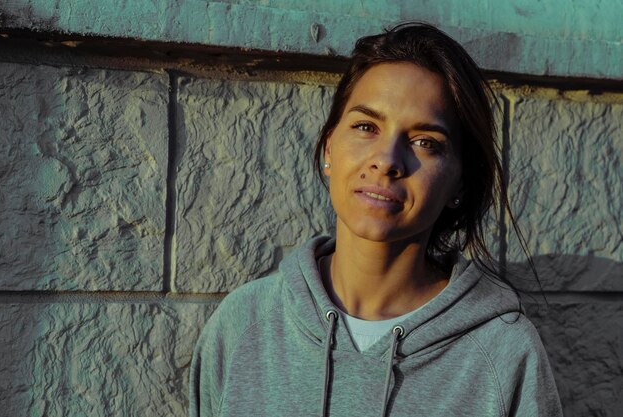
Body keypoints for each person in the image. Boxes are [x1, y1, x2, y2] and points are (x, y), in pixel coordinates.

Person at [189, 22, 563, 417]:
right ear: (329, 147)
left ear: (460, 181)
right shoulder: (244, 326)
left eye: (425, 142)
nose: (387, 159)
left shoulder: (504, 354)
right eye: (366, 126)